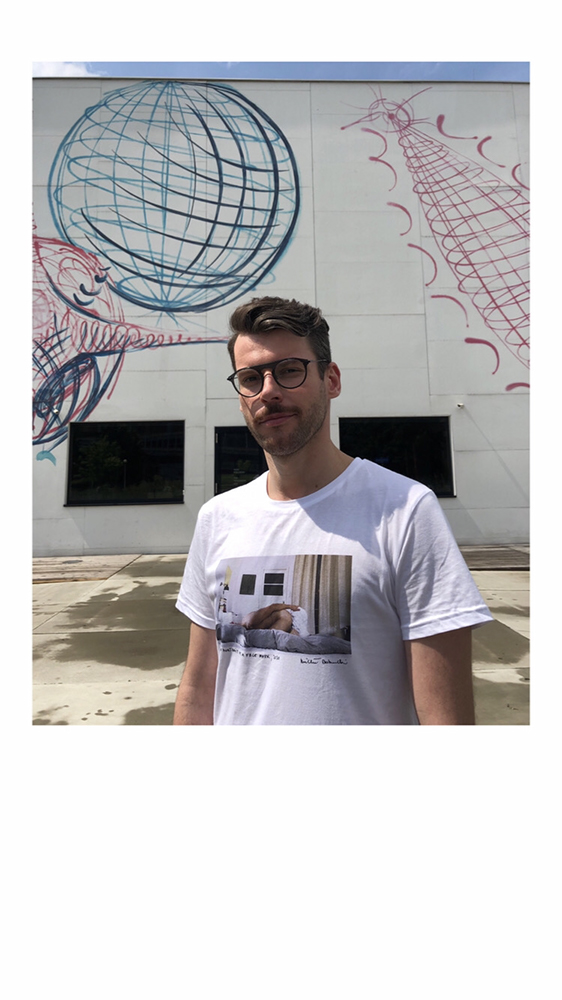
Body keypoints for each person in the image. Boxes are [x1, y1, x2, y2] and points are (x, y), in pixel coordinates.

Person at [174, 296, 492, 725]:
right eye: (250, 378)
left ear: (332, 380)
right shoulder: (217, 517)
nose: (268, 390)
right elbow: (199, 687)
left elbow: (445, 718)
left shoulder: (405, 510)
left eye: (289, 370)